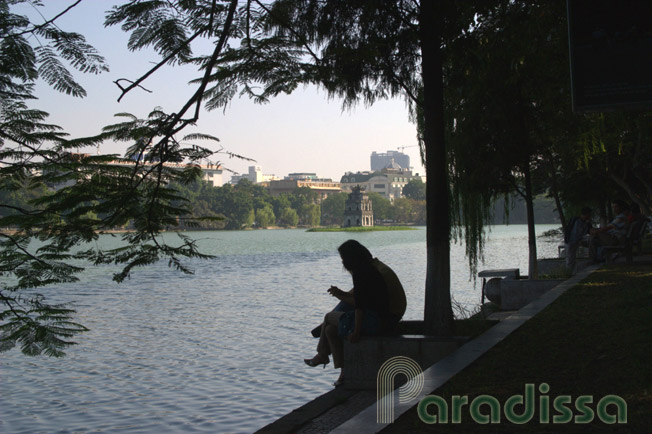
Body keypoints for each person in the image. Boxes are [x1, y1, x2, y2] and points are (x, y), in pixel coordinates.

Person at [304, 240, 406, 387]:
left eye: (343, 259)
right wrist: (341, 294)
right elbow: (363, 298)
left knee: (328, 317)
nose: (343, 263)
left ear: (351, 258)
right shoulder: (371, 268)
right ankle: (344, 373)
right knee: (330, 330)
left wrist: (356, 331)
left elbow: (360, 306)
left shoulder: (362, 272)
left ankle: (322, 354)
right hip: (380, 318)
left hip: (378, 321)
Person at [564, 207, 592, 274]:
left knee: (572, 258)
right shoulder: (576, 220)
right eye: (589, 214)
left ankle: (572, 272)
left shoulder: (586, 222)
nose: (590, 216)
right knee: (570, 258)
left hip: (577, 241)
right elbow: (572, 231)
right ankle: (568, 273)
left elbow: (588, 231)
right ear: (586, 214)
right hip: (570, 241)